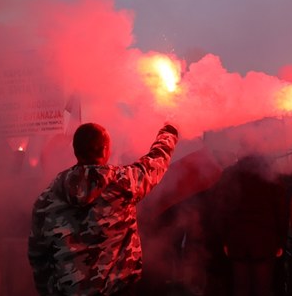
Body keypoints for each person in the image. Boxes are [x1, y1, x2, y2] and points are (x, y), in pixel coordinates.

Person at [27, 122, 179, 295]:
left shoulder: (46, 198)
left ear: (76, 151)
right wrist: (169, 132)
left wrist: (48, 291)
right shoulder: (123, 183)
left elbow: (37, 256)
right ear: (104, 150)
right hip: (119, 291)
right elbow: (156, 161)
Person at [215, 153, 288, 296]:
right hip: (265, 241)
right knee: (262, 289)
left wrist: (225, 239)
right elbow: (281, 211)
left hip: (238, 240)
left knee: (240, 288)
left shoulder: (230, 174)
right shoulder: (271, 175)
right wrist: (281, 241)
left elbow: (222, 209)